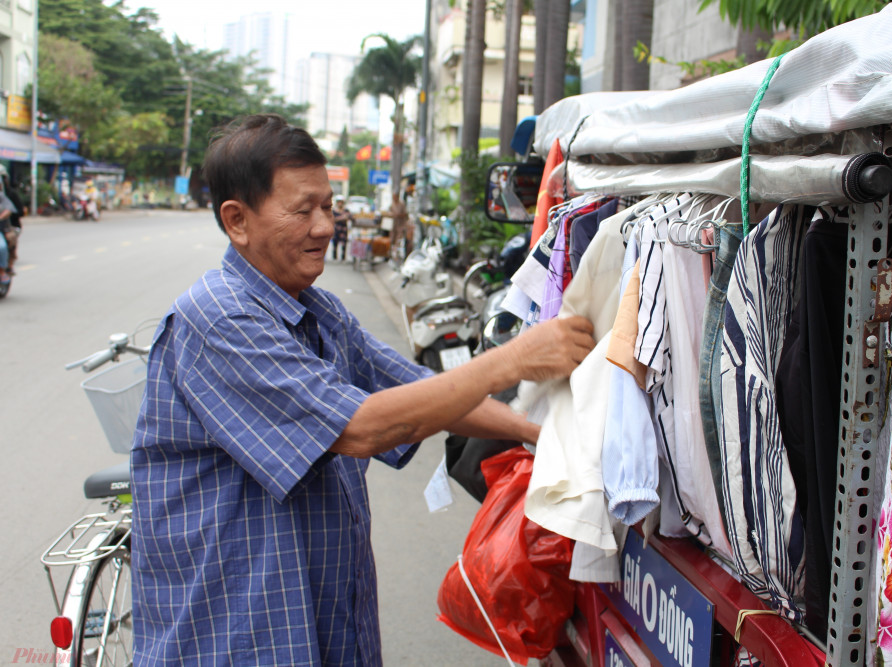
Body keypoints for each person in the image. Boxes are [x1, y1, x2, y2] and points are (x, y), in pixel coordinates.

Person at [130, 114, 595, 666]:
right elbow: (361, 427)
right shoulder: (218, 320)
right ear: (237, 220)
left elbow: (424, 390)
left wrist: (537, 434)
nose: (325, 227)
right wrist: (512, 359)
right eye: (303, 210)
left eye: (328, 207)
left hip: (325, 623)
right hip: (238, 637)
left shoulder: (317, 310)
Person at [330, 194, 352, 261]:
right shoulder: (334, 211)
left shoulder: (346, 210)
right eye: (339, 202)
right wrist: (342, 218)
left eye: (341, 202)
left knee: (344, 243)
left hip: (343, 229)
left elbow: (349, 217)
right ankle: (334, 257)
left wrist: (342, 218)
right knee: (335, 243)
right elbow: (332, 219)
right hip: (336, 229)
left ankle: (343, 257)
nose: (340, 203)